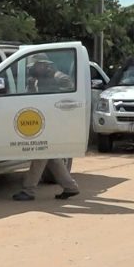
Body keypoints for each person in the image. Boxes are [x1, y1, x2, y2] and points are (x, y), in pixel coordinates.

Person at [11, 53, 79, 201]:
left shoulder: (61, 79)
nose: (32, 69)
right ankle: (70, 186)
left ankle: (29, 190)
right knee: (51, 157)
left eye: (34, 66)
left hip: (55, 123)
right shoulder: (37, 81)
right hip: (44, 122)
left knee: (40, 153)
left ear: (43, 65)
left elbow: (67, 103)